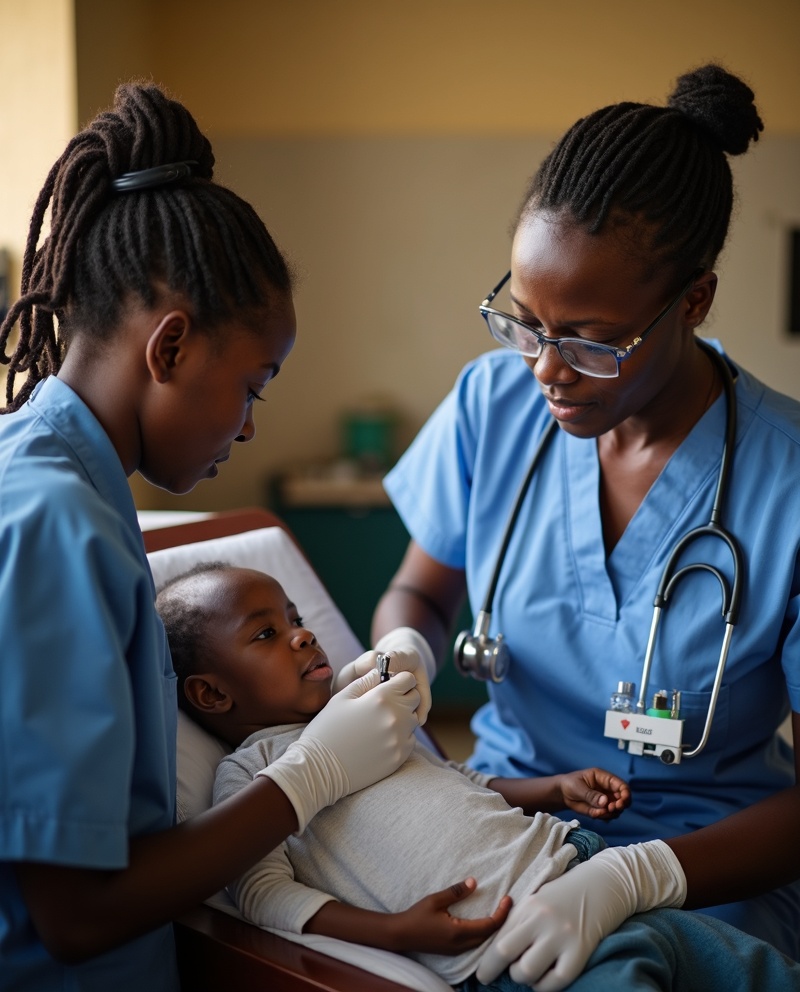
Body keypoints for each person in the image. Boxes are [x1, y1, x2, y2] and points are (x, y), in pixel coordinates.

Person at [371, 63, 800, 988]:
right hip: (502, 820)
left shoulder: (789, 480)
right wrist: (402, 659)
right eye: (527, 323)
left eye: (592, 342)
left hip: (706, 866)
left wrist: (635, 876)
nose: (546, 370)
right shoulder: (493, 405)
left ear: (694, 302)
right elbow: (421, 592)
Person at [0, 81, 434, 992]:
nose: (248, 426)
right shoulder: (56, 525)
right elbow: (77, 917)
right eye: (252, 386)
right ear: (169, 349)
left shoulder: (59, 478)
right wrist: (309, 775)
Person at [157, 561, 800, 992]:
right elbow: (260, 891)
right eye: (266, 634)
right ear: (212, 694)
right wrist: (392, 932)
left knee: (756, 969)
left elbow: (456, 778)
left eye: (296, 619)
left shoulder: (360, 714)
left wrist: (551, 789)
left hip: (582, 869)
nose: (301, 637)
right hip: (517, 942)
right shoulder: (253, 774)